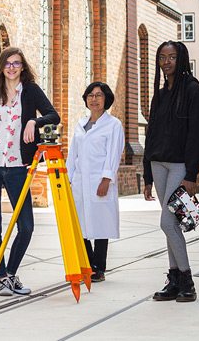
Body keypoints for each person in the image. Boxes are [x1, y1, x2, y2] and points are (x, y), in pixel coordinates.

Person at [0, 47, 58, 297]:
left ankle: (11, 273)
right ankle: (4, 277)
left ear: (22, 66)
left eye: (16, 63)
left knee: (26, 226)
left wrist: (33, 121)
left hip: (18, 167)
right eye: (7, 63)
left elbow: (53, 115)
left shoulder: (30, 91)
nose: (12, 67)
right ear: (1, 67)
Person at [144, 41, 199, 303]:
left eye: (171, 57)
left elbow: (197, 135)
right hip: (158, 164)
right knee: (172, 226)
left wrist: (192, 174)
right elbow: (151, 134)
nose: (166, 61)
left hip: (180, 165)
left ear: (181, 59)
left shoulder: (193, 90)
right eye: (162, 57)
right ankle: (174, 280)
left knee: (168, 222)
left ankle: (187, 280)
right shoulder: (159, 95)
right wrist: (147, 175)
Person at [66, 82, 124, 283]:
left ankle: (99, 268)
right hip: (80, 182)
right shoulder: (80, 124)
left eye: (98, 95)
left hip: (100, 181)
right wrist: (68, 178)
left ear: (106, 98)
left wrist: (106, 179)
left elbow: (114, 154)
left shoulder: (113, 125)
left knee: (100, 225)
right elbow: (73, 154)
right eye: (90, 95)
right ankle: (87, 264)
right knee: (79, 224)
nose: (94, 99)